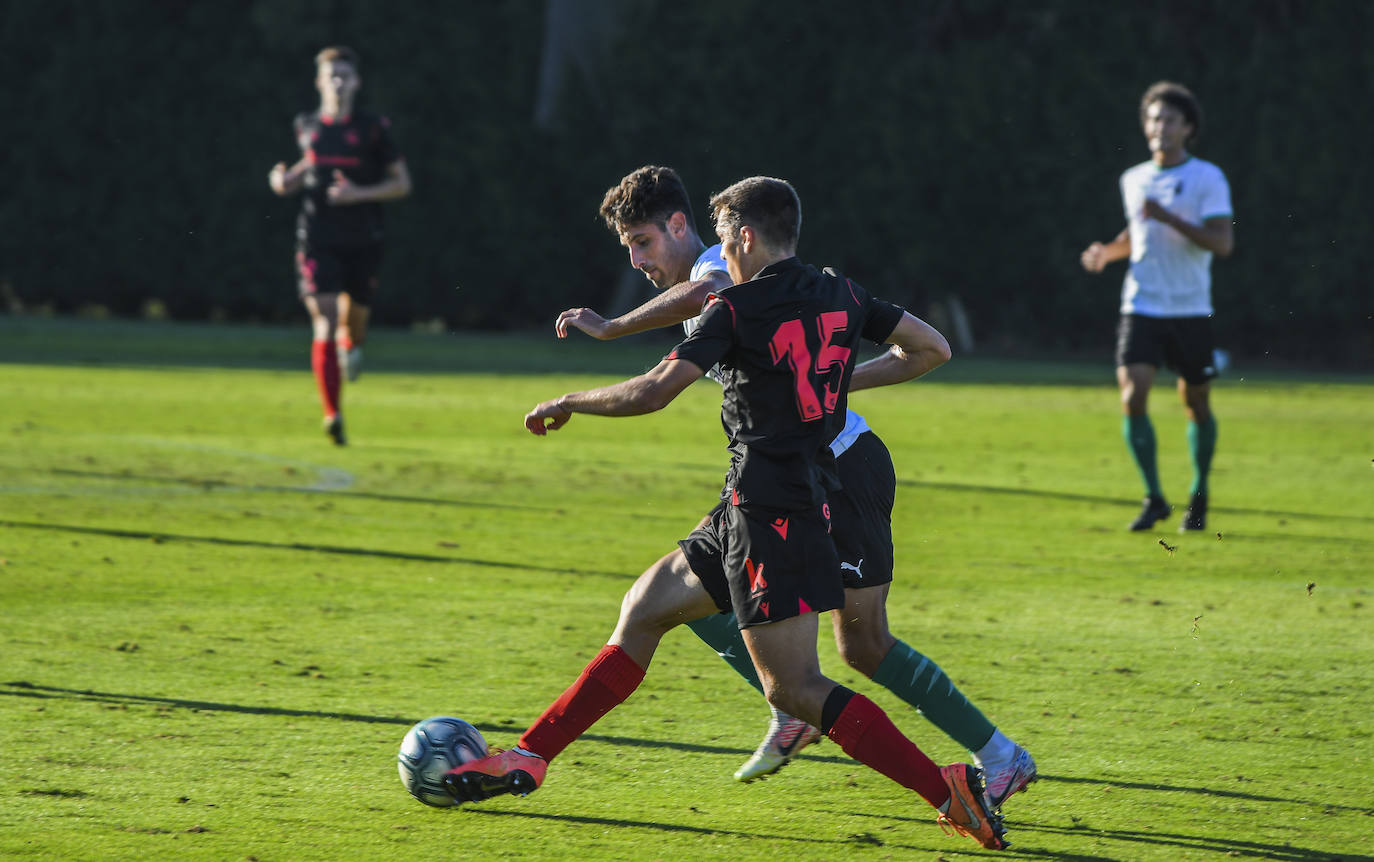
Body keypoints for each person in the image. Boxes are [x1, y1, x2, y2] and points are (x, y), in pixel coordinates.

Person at [445, 177, 1009, 850]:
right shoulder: (845, 293)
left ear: (743, 238)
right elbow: (931, 348)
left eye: (722, 240)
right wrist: (828, 383)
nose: (717, 255)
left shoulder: (733, 307)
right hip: (767, 497)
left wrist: (574, 399)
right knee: (646, 607)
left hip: (773, 505)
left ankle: (946, 787)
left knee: (800, 686)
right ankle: (531, 757)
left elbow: (655, 392)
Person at [1080, 81, 1234, 531]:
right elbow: (1138, 236)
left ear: (1188, 128)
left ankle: (1200, 494)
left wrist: (1171, 218)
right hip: (1141, 305)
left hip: (1190, 309)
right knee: (1132, 396)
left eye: (1168, 119)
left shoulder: (1208, 177)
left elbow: (1222, 243)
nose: (1158, 127)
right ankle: (1154, 497)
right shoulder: (1133, 178)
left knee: (1197, 404)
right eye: (1152, 118)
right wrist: (1108, 252)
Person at [268, 46, 411, 445]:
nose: (337, 81)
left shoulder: (372, 128)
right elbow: (306, 167)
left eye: (344, 75)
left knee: (355, 325)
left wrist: (357, 193)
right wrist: (283, 180)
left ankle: (353, 347)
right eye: (330, 75)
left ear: (356, 82)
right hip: (316, 238)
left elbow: (401, 184)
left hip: (364, 239)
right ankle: (333, 413)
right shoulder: (307, 125)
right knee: (325, 320)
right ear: (318, 82)